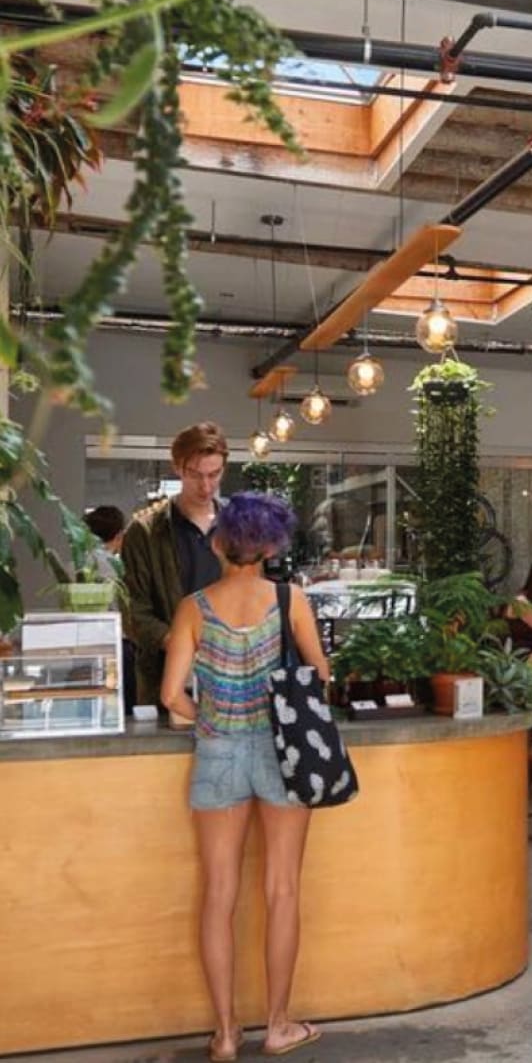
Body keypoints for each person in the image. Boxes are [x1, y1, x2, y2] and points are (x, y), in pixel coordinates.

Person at [161, 492, 329, 1063]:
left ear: (218, 543)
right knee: (281, 890)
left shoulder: (193, 607)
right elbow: (320, 676)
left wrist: (212, 715)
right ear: (271, 547)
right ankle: (278, 1026)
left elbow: (169, 697)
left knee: (218, 895)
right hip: (284, 754)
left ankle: (227, 1034)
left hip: (218, 754)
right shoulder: (291, 600)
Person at [122, 422, 228, 704]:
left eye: (214, 474)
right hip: (166, 678)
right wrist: (180, 645)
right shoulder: (144, 532)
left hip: (234, 677)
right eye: (196, 475)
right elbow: (134, 612)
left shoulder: (238, 526)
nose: (206, 486)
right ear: (178, 468)